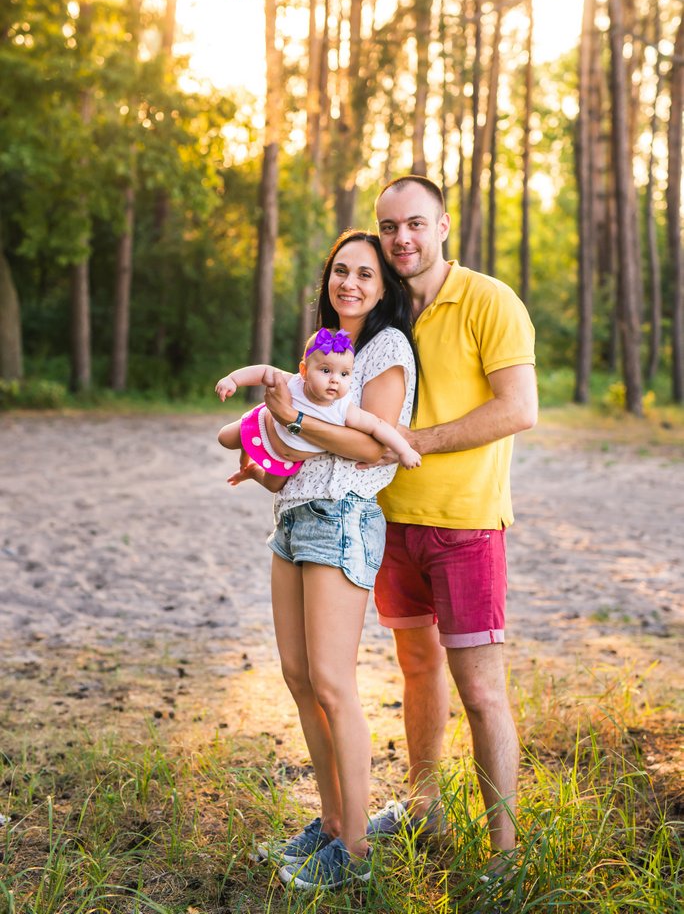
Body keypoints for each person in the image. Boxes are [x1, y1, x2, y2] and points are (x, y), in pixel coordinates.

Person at [364, 176, 538, 898]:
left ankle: (505, 856)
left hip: (465, 526)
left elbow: (519, 408)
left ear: (442, 226)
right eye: (388, 227)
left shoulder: (490, 300)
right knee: (416, 670)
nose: (401, 238)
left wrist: (417, 441)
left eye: (414, 224)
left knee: (482, 692)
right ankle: (425, 808)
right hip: (390, 522)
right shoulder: (380, 307)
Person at [230, 229, 418, 891]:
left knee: (333, 684)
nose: (350, 283)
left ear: (384, 285)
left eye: (365, 273)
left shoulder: (387, 348)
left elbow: (371, 447)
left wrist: (292, 420)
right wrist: (265, 470)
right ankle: (333, 822)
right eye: (340, 270)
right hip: (293, 517)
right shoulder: (322, 350)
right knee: (298, 676)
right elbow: (297, 454)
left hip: (341, 518)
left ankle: (356, 851)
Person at [214, 327, 420, 489]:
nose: (335, 380)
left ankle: (251, 472)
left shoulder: (343, 409)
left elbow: (378, 425)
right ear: (304, 371)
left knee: (273, 485)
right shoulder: (293, 383)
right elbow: (264, 372)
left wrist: (404, 450)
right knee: (225, 438)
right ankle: (245, 448)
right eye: (326, 370)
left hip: (284, 459)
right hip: (263, 429)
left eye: (344, 374)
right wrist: (233, 380)